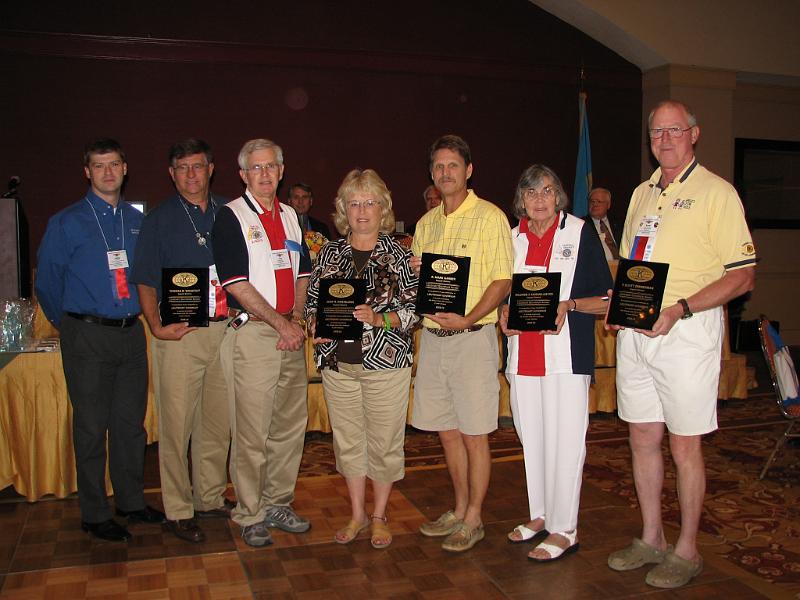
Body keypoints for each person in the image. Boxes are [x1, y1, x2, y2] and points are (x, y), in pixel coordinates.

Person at [607, 100, 756, 588]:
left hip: (686, 332)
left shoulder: (718, 193)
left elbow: (742, 276)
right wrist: (621, 307)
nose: (664, 140)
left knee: (684, 444)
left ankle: (687, 549)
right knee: (642, 437)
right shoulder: (641, 193)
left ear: (694, 133)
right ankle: (652, 537)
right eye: (656, 133)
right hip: (638, 333)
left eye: (674, 131)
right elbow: (633, 264)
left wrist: (681, 309)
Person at [35, 139, 165, 542]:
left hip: (131, 334)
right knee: (91, 427)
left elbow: (148, 275)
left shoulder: (137, 219)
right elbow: (46, 283)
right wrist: (72, 324)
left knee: (130, 426)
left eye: (114, 164)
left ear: (125, 168)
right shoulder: (67, 221)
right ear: (87, 172)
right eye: (98, 166)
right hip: (86, 334)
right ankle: (94, 511)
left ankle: (130, 501)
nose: (108, 172)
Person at [500, 165, 612, 562]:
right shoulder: (512, 237)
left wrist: (570, 305)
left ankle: (565, 529)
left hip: (566, 358)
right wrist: (502, 312)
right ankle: (541, 514)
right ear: (522, 200)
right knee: (533, 439)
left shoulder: (580, 233)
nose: (540, 200)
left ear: (559, 195)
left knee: (566, 443)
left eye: (547, 191)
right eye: (532, 193)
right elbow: (503, 291)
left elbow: (608, 298)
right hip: (523, 358)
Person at [306, 169, 419, 549]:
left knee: (385, 442)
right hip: (339, 364)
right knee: (349, 442)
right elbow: (310, 306)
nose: (362, 210)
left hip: (386, 363)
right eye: (354, 203)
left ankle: (380, 515)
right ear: (343, 210)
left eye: (370, 202)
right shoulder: (329, 253)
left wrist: (380, 318)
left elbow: (416, 309)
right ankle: (356, 514)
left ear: (383, 207)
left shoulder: (401, 253)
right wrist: (315, 325)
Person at [410, 134, 513, 552]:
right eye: (438, 166)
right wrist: (415, 273)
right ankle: (458, 508)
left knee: (474, 433)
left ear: (468, 171)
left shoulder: (490, 217)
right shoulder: (425, 223)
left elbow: (503, 279)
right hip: (434, 340)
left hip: (473, 337)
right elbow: (419, 286)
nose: (445, 173)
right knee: (447, 432)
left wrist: (469, 317)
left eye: (453, 165)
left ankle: (474, 518)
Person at [130, 138, 232, 544]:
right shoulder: (158, 219)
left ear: (211, 169)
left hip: (224, 331)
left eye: (198, 166)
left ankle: (208, 496)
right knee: (176, 425)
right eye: (182, 168)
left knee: (216, 422)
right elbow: (142, 277)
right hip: (178, 333)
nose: (191, 174)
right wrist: (155, 325)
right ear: (172, 175)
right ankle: (178, 507)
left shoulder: (231, 213)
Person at [211, 138, 312, 547]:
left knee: (289, 427)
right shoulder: (230, 217)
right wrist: (279, 323)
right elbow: (236, 283)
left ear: (281, 171)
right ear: (243, 175)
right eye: (256, 168)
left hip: (290, 331)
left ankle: (277, 502)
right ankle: (249, 512)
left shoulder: (290, 216)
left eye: (271, 166)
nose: (265, 174)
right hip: (253, 334)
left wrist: (298, 318)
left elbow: (302, 271)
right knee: (252, 432)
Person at [584, 187, 622, 261]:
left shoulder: (619, 223)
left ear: (608, 205)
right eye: (592, 201)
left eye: (599, 201)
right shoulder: (582, 224)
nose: (595, 204)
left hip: (620, 268)